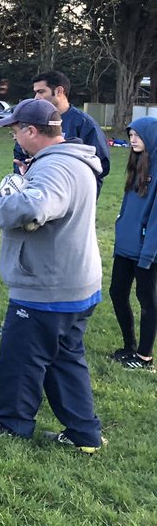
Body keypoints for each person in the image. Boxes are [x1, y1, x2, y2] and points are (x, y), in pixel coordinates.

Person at [0, 98, 105, 453]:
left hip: (48, 286)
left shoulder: (54, 167)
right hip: (76, 283)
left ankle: (13, 425)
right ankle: (83, 434)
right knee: (65, 359)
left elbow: (34, 207)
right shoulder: (74, 160)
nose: (14, 136)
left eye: (15, 129)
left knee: (21, 358)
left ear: (31, 130)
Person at [107, 117, 157, 369]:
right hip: (126, 246)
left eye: (137, 135)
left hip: (147, 249)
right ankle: (129, 346)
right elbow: (128, 206)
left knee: (147, 300)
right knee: (117, 292)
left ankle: (144, 356)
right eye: (131, 135)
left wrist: (149, 252)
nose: (132, 139)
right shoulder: (138, 163)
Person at [14, 70, 110, 193]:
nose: (36, 98)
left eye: (41, 92)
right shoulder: (34, 120)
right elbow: (20, 154)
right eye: (35, 92)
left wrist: (64, 174)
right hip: (36, 193)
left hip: (71, 196)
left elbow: (101, 165)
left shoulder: (84, 124)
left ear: (59, 91)